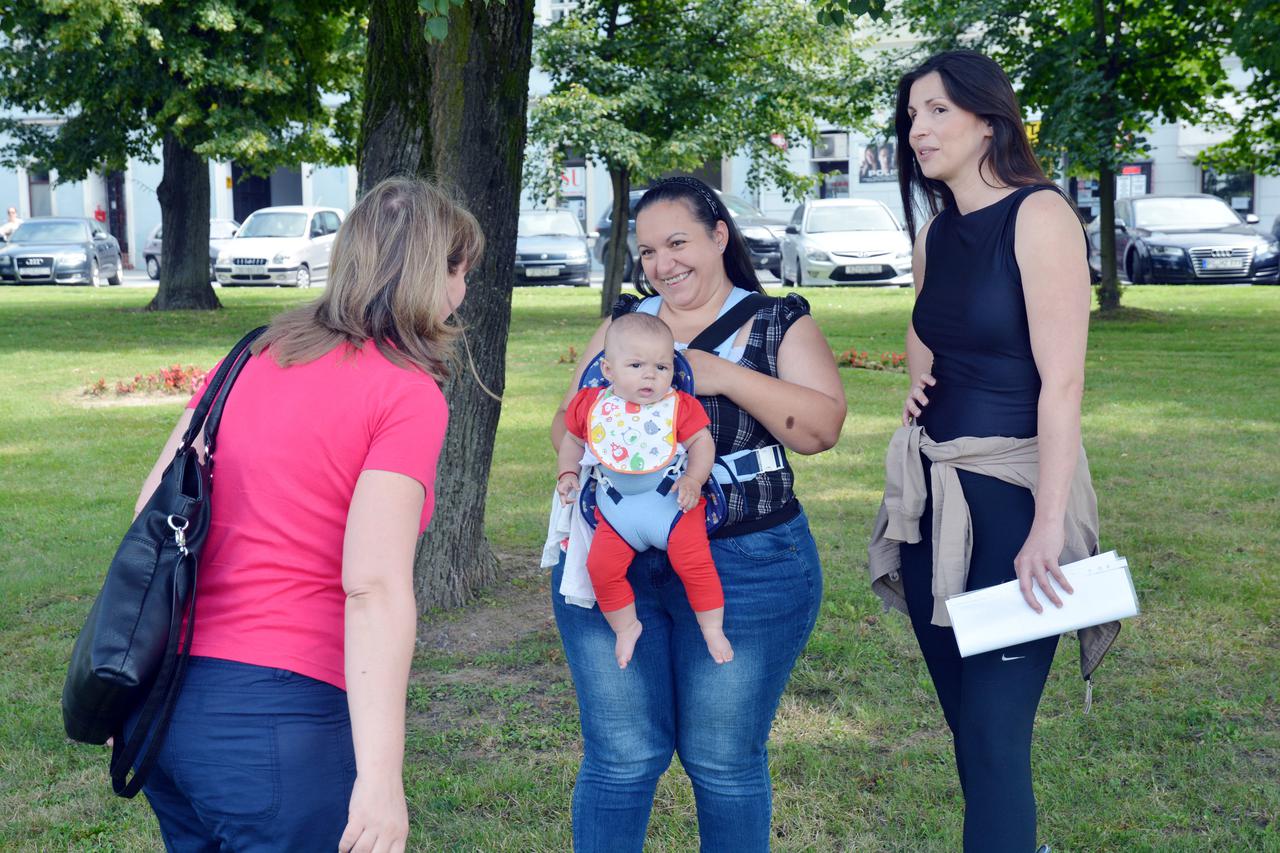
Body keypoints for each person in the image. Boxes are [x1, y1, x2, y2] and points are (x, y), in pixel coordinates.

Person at [125, 178, 482, 852]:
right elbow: (373, 585)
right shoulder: (406, 392)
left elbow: (151, 512)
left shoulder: (253, 356)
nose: (463, 290)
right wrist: (381, 778)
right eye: (461, 270)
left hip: (169, 703)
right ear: (438, 272)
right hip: (278, 720)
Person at [550, 175, 846, 852]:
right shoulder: (624, 326)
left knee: (722, 758)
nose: (663, 263)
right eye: (648, 250)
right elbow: (571, 423)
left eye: (677, 241)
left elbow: (822, 428)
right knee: (621, 757)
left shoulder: (778, 322)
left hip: (746, 562)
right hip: (619, 554)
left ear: (719, 236)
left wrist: (721, 374)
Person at [866, 50, 1107, 853]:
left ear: (987, 117)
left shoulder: (1040, 215)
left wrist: (1047, 527)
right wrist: (919, 389)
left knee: (998, 744)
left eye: (936, 110)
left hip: (1012, 504)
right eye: (910, 115)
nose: (917, 129)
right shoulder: (937, 232)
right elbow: (930, 331)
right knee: (971, 738)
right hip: (936, 504)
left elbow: (1063, 384)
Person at [556, 311, 730, 670]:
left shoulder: (679, 405)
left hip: (672, 504)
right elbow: (572, 441)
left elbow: (702, 443)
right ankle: (626, 626)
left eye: (662, 367)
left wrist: (694, 479)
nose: (650, 375)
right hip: (617, 512)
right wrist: (567, 473)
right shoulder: (590, 405)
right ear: (608, 370)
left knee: (695, 563)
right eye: (636, 365)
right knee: (600, 567)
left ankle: (712, 627)